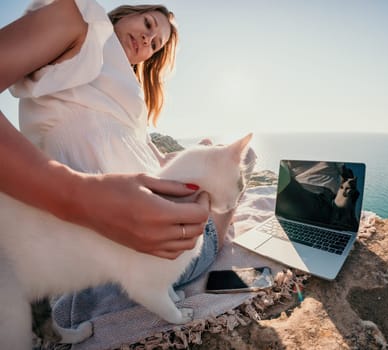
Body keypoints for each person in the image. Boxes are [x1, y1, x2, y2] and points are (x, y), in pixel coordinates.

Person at [1, 0, 247, 338]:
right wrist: (74, 195)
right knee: (241, 170)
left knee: (213, 154)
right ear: (123, 13)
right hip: (123, 252)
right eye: (148, 25)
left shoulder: (126, 97)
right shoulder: (81, 21)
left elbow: (134, 159)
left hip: (147, 237)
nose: (147, 41)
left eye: (156, 44)